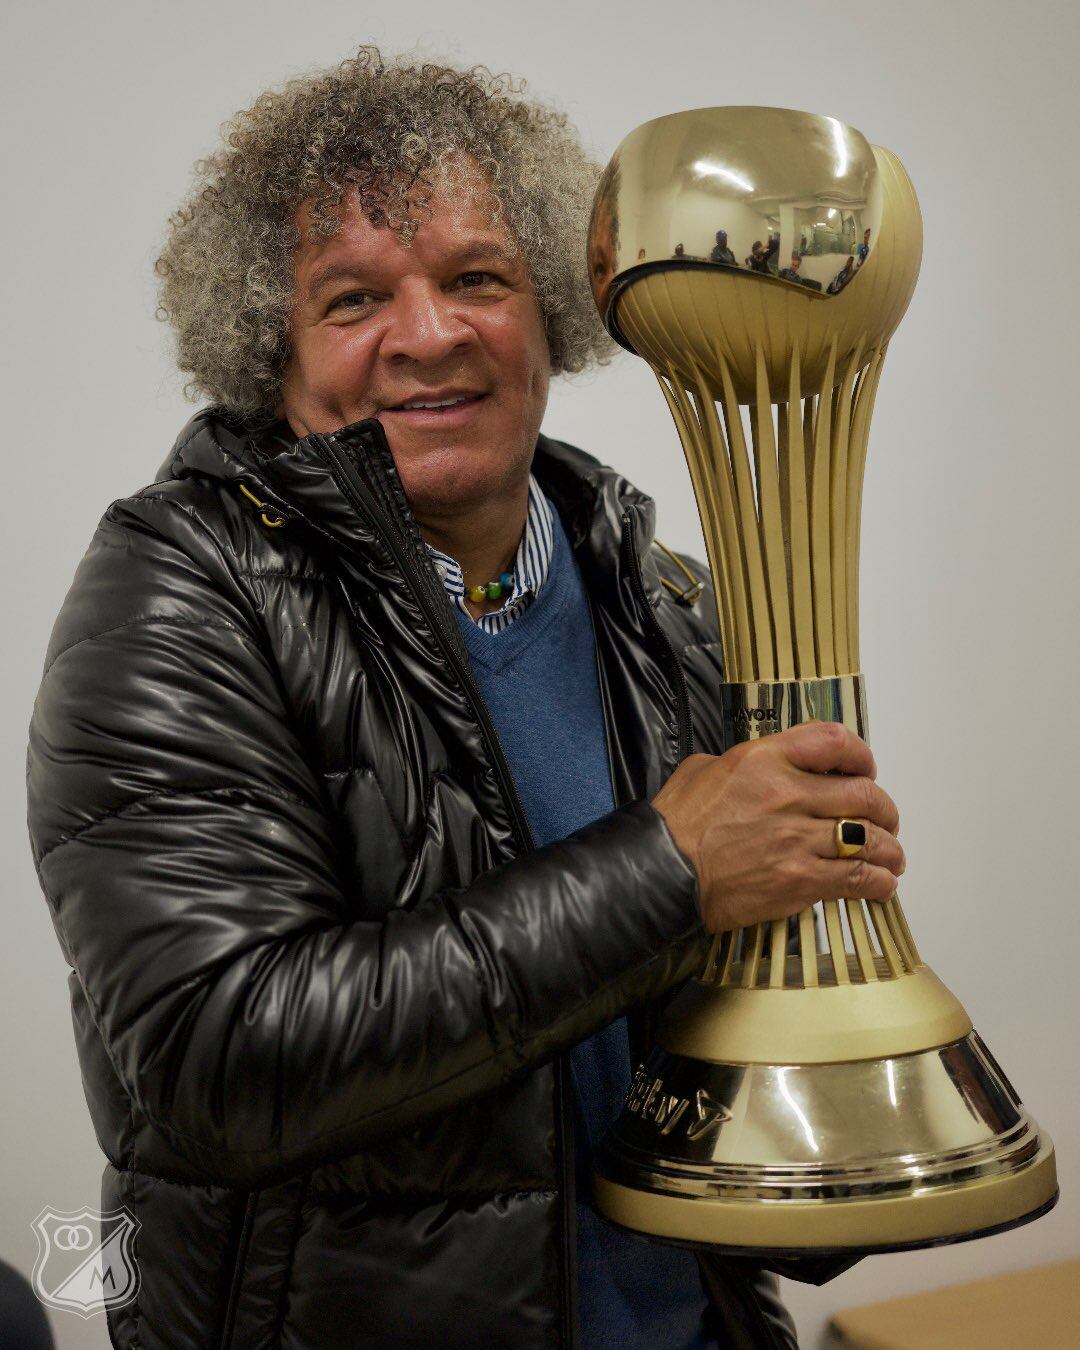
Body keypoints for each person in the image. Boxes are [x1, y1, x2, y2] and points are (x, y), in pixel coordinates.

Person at [25, 46, 904, 1350]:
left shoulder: (669, 601)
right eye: (354, 297)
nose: (430, 334)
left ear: (551, 311)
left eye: (478, 279)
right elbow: (221, 1059)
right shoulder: (177, 592)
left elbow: (738, 1096)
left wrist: (830, 1009)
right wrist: (672, 867)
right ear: (271, 348)